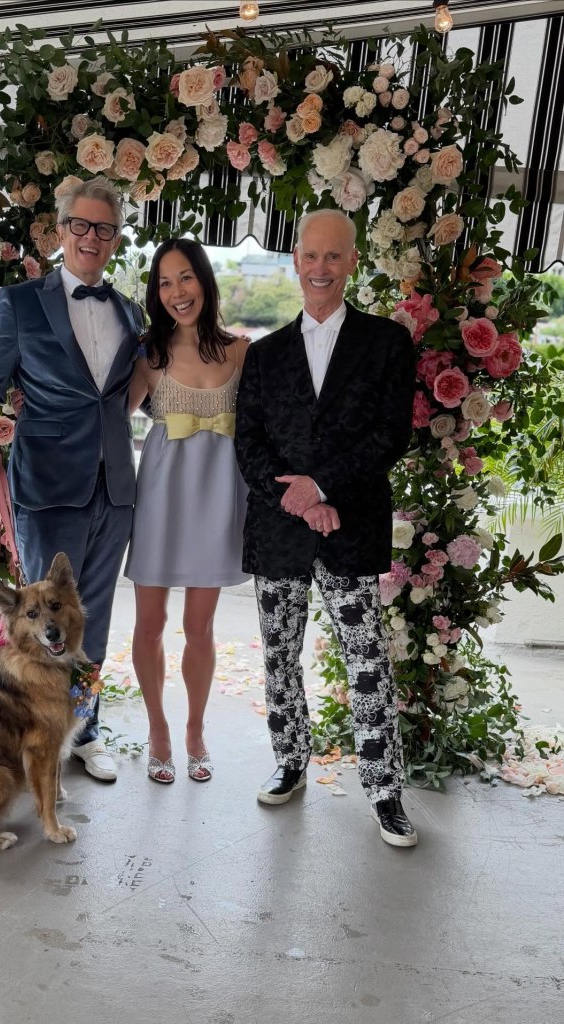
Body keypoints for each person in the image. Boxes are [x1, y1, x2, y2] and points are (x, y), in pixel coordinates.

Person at [234, 209, 418, 847]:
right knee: (280, 658)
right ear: (295, 260)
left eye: (333, 257)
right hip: (280, 530)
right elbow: (249, 444)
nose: (320, 268)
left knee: (366, 661)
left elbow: (392, 433)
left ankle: (386, 792)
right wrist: (301, 499)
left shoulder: (389, 342)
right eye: (310, 256)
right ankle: (290, 761)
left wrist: (324, 486)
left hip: (350, 523)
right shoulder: (263, 355)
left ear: (352, 262)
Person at [0, 175, 144, 783]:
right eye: (81, 225)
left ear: (115, 239)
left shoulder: (129, 309)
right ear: (61, 230)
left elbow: (129, 397)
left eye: (104, 228)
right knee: (41, 625)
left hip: (114, 489)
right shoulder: (20, 303)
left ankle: (84, 731)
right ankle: (33, 734)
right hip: (45, 488)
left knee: (92, 619)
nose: (92, 237)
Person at [126, 238, 249, 784]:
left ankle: (195, 728)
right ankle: (158, 728)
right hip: (160, 500)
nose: (177, 292)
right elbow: (106, 420)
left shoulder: (243, 352)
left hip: (219, 499)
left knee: (200, 628)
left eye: (186, 278)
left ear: (204, 280)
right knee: (149, 624)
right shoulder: (148, 356)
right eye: (165, 282)